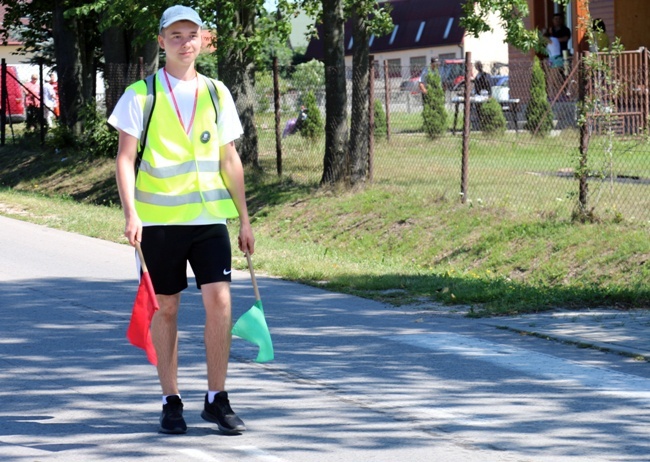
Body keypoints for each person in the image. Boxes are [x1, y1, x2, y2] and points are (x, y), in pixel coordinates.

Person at [109, 5, 255, 435]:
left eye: (192, 34)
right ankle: (171, 399)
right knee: (166, 308)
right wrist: (131, 212)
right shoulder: (141, 94)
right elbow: (124, 158)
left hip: (210, 219)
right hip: (157, 224)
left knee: (221, 303)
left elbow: (230, 159)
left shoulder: (217, 92)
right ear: (161, 41)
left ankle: (216, 398)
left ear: (203, 40)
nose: (184, 42)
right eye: (175, 35)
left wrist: (244, 218)